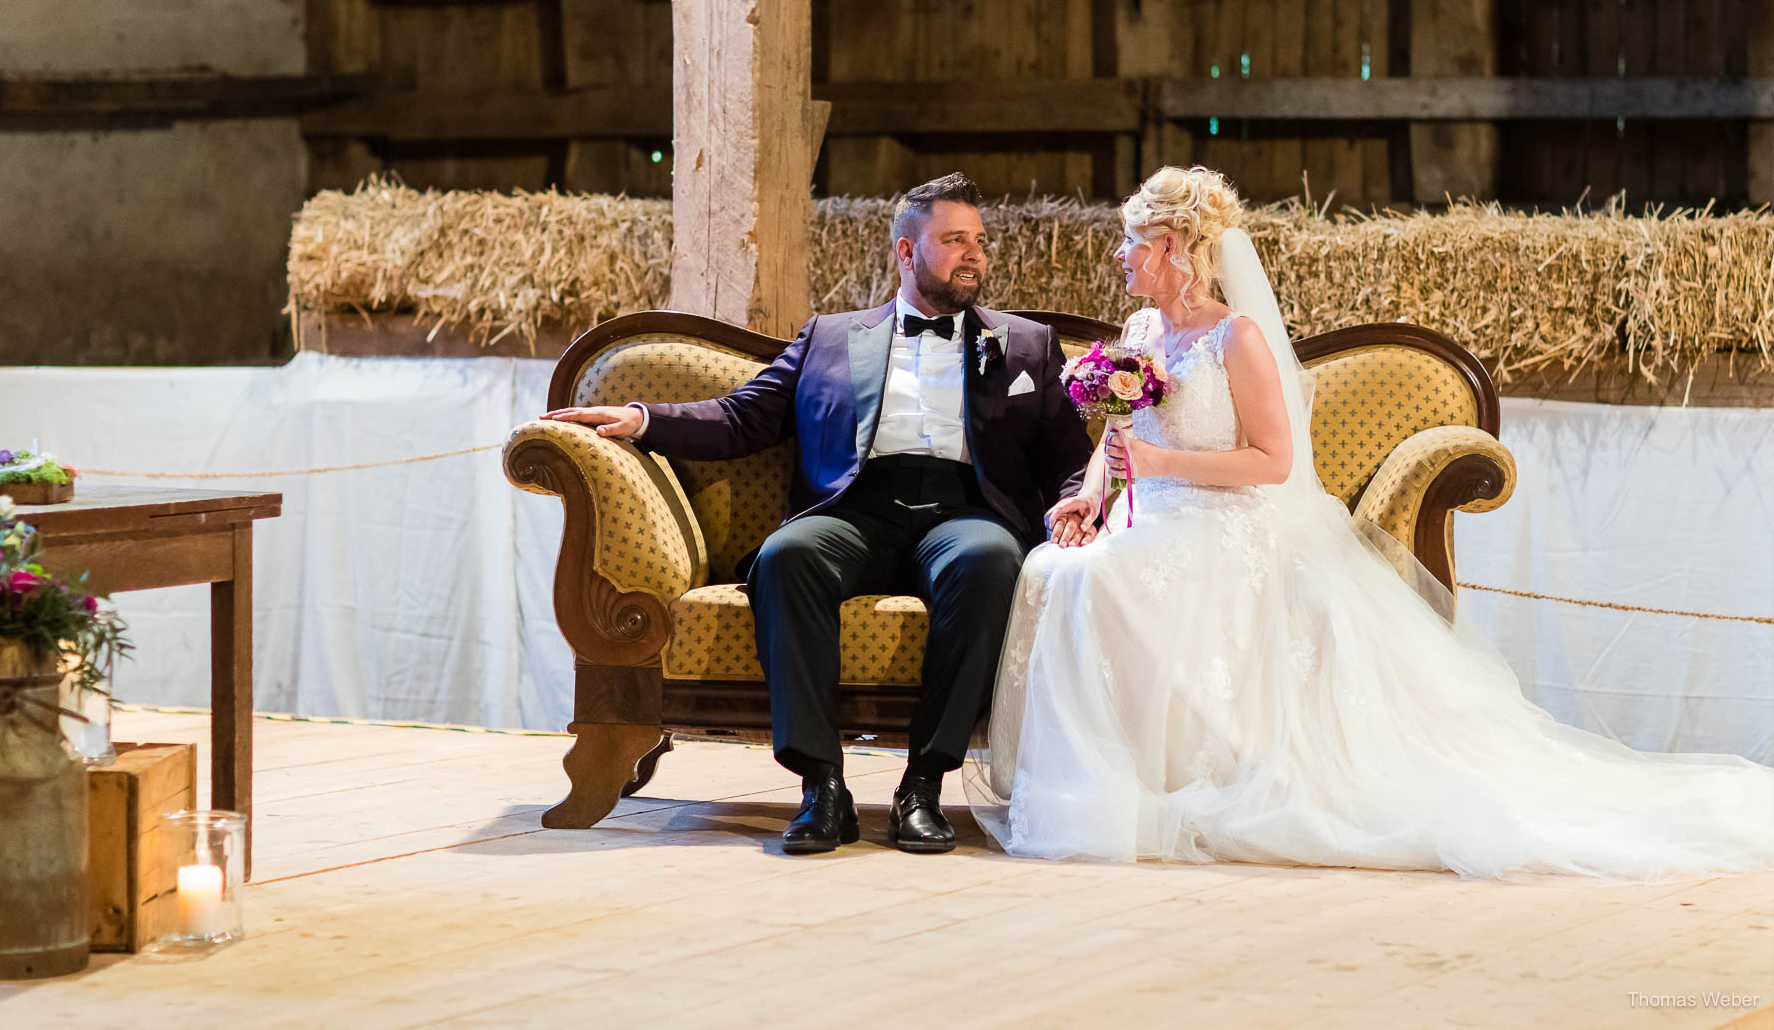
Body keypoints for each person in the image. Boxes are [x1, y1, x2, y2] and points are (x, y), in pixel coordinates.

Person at [969, 164, 1774, 882]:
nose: (1120, 257)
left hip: (1228, 520)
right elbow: (1121, 429)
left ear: (1176, 245)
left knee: (1103, 577)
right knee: (1053, 566)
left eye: (1132, 243)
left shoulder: (1234, 339)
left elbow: (1272, 463)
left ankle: (1158, 791)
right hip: (1155, 514)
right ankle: (1103, 788)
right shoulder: (1141, 333)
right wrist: (1091, 496)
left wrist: (1162, 469)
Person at [546, 173, 1094, 855]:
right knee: (788, 557)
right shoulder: (829, 338)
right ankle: (821, 785)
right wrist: (642, 417)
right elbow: (742, 418)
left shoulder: (1026, 345)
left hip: (966, 511)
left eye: (979, 241)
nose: (974, 254)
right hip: (855, 507)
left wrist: (1081, 499)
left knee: (989, 563)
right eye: (954, 241)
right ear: (905, 251)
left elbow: (1070, 454)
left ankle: (923, 784)